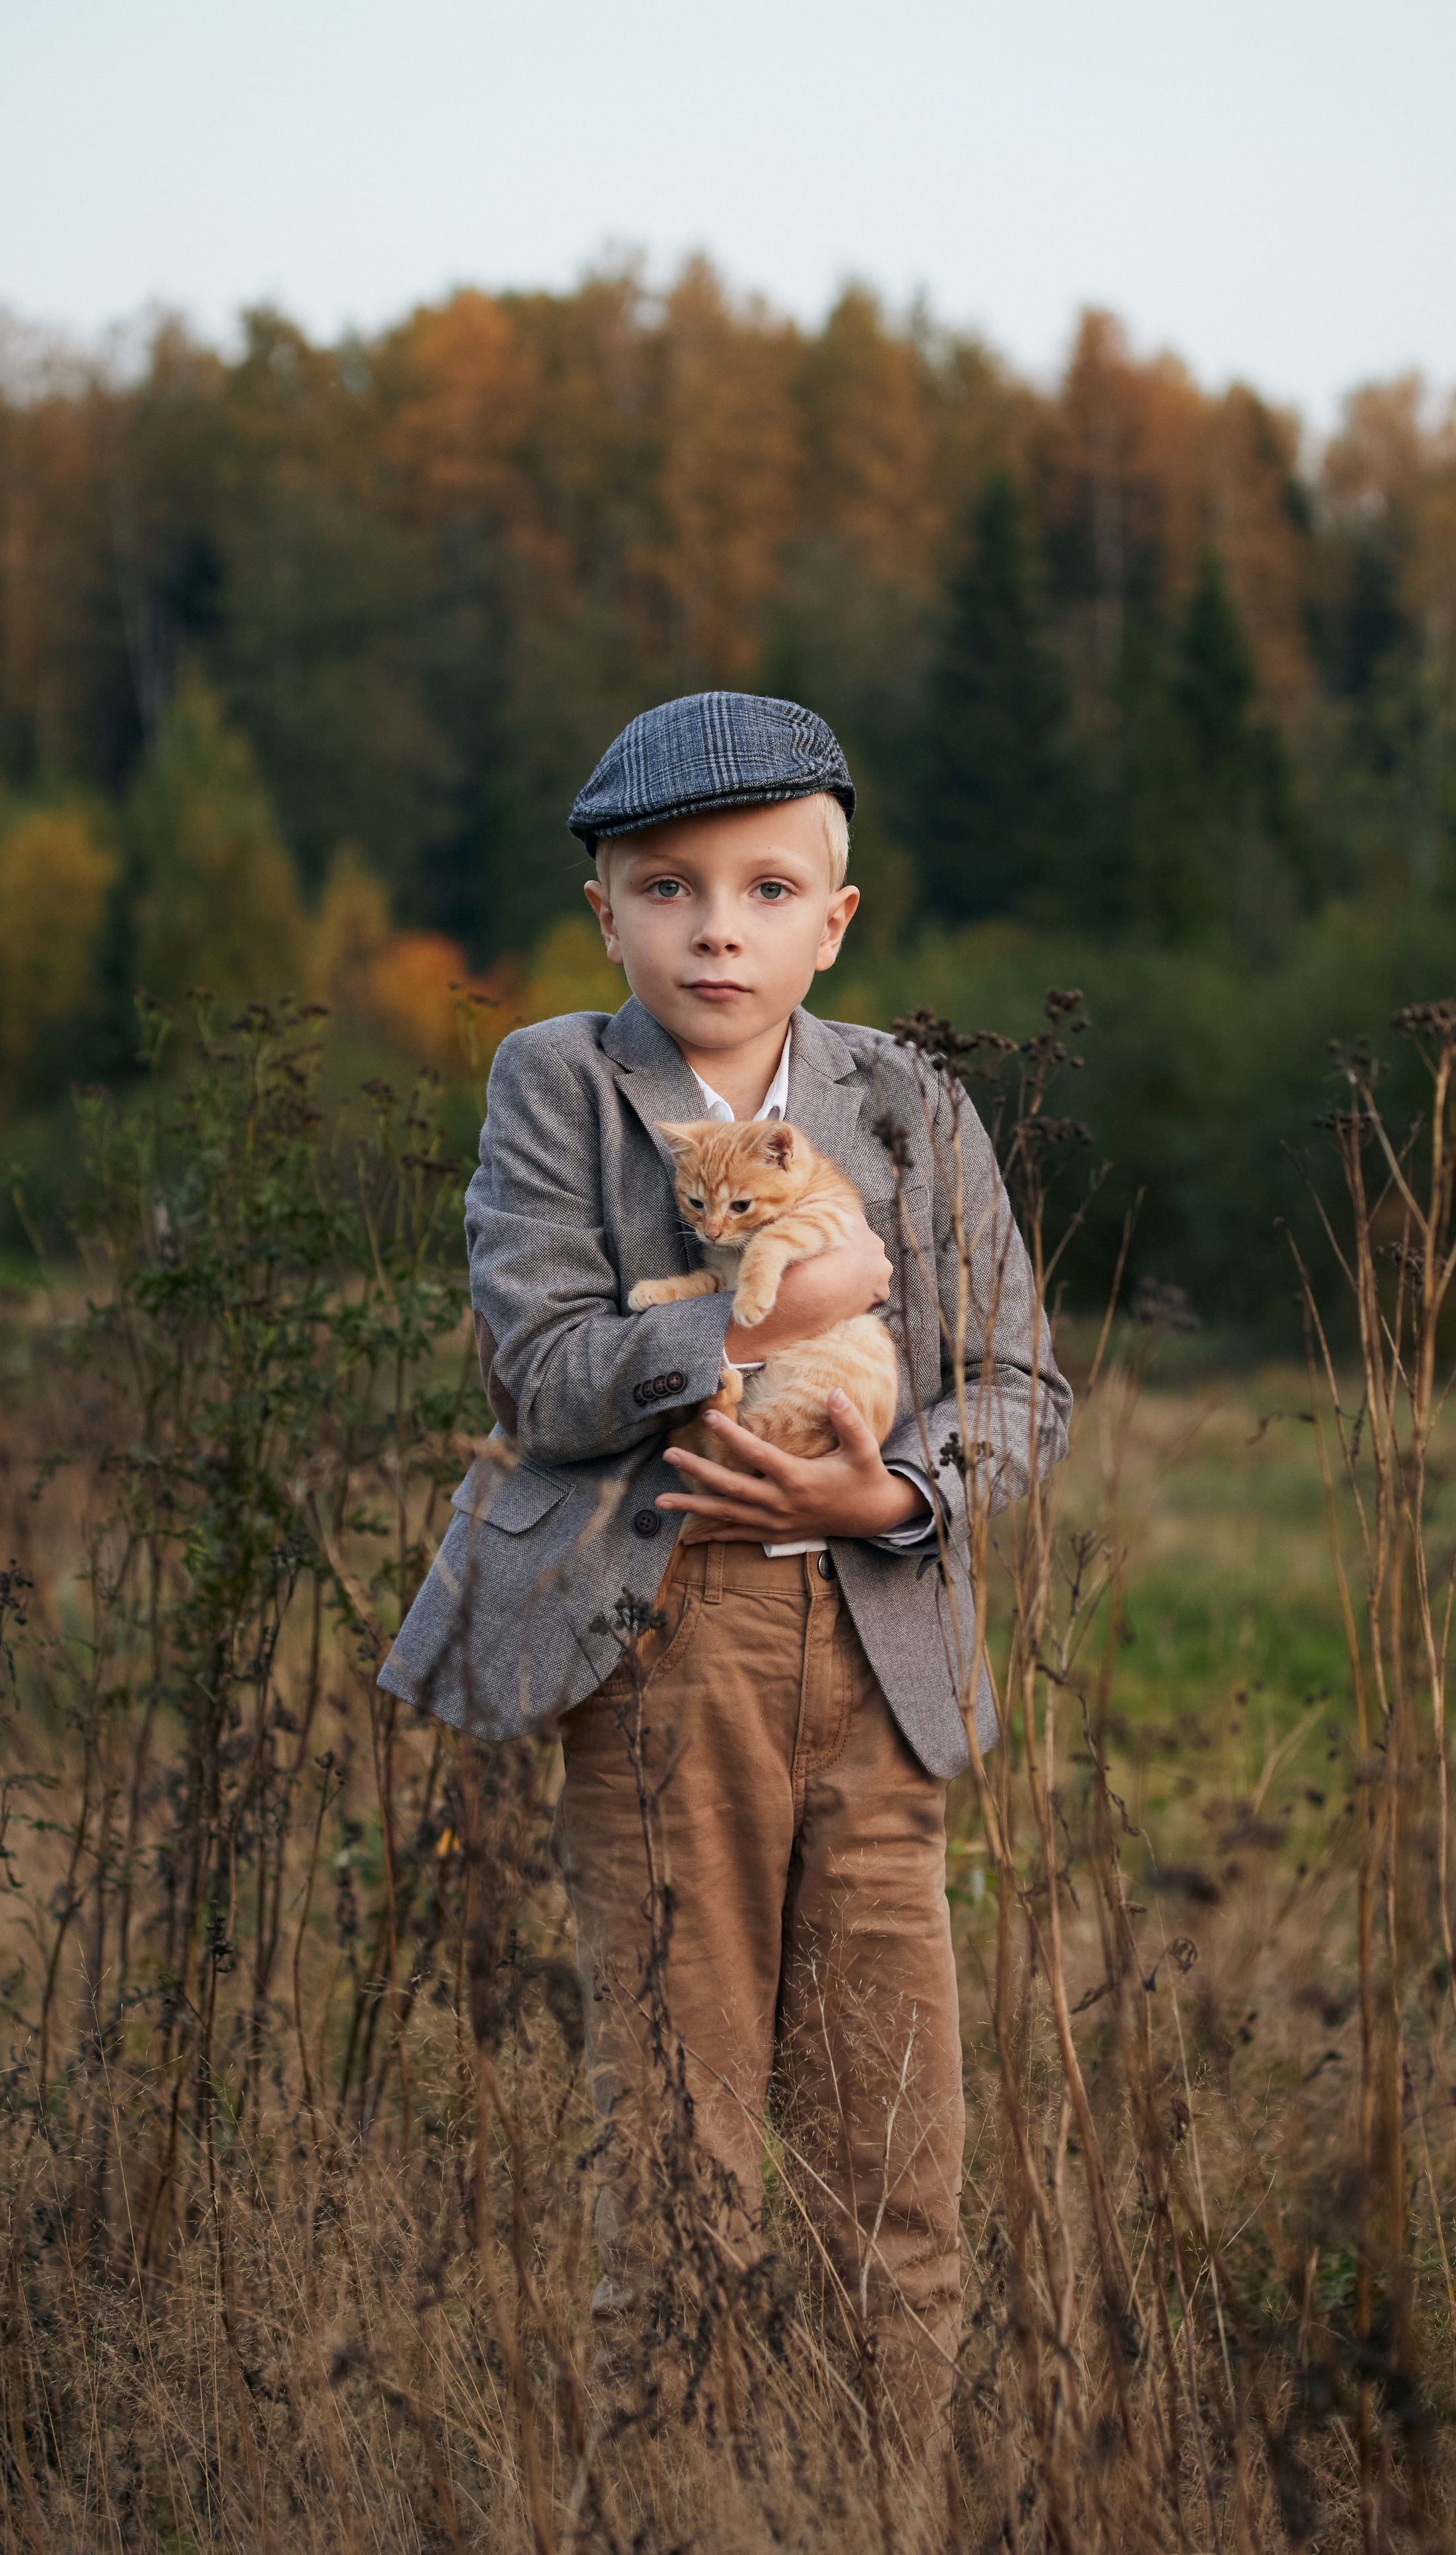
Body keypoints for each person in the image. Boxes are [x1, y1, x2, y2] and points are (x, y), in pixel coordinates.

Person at [379, 691, 1071, 2464]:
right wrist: (763, 1327)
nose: (716, 926)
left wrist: (893, 1498)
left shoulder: (907, 1099)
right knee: (685, 2158)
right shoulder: (557, 1079)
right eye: (668, 886)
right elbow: (537, 1373)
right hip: (660, 1642)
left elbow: (1017, 1385)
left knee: (895, 2168)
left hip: (874, 1647)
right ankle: (677, 2508)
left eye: (769, 888)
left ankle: (872, 2510)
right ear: (605, 908)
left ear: (836, 921)